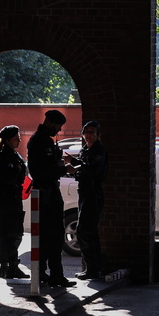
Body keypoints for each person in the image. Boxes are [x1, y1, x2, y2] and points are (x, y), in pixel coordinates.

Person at [27, 109, 76, 288]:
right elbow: (41, 172)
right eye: (58, 125)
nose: (59, 129)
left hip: (48, 192)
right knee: (53, 235)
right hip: (46, 193)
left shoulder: (42, 140)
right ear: (50, 122)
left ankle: (44, 273)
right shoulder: (40, 141)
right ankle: (54, 275)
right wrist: (64, 169)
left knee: (48, 236)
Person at [64, 120, 108, 280]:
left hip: (93, 195)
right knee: (89, 231)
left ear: (98, 135)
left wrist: (74, 166)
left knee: (84, 230)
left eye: (92, 132)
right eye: (86, 132)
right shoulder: (85, 150)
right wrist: (72, 165)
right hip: (84, 194)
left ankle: (93, 269)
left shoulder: (99, 151)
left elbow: (92, 170)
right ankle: (94, 268)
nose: (88, 135)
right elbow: (82, 168)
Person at [0, 125, 30, 279]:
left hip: (14, 197)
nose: (19, 140)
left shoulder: (13, 155)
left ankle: (10, 265)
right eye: (16, 138)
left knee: (14, 232)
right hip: (8, 198)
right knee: (8, 232)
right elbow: (6, 180)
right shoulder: (5, 156)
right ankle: (8, 266)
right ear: (7, 140)